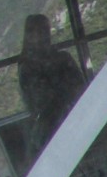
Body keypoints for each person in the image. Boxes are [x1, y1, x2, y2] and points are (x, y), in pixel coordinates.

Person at [17, 14, 84, 168]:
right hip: (51, 130)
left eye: (44, 31)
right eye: (35, 31)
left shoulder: (63, 58)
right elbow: (39, 102)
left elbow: (80, 90)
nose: (41, 36)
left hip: (72, 122)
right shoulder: (27, 67)